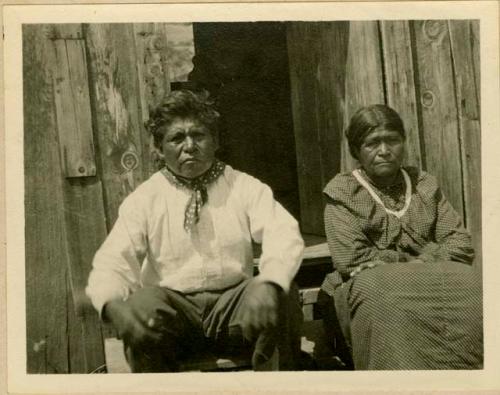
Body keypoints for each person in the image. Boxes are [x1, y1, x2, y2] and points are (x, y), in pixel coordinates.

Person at [86, 89, 304, 372]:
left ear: (215, 141)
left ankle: (278, 385)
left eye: (198, 135)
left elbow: (283, 233)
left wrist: (270, 282)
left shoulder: (244, 186)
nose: (189, 146)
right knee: (142, 304)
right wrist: (114, 307)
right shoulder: (145, 199)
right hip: (175, 321)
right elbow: (112, 262)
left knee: (281, 292)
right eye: (177, 138)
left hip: (235, 312)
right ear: (158, 148)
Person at [317, 104, 483, 370]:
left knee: (475, 285)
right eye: (372, 144)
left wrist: (416, 264)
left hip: (428, 283)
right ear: (356, 151)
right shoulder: (343, 193)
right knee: (381, 293)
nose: (384, 151)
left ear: (403, 144)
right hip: (372, 289)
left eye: (392, 140)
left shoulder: (423, 185)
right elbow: (352, 260)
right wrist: (423, 258)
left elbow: (459, 243)